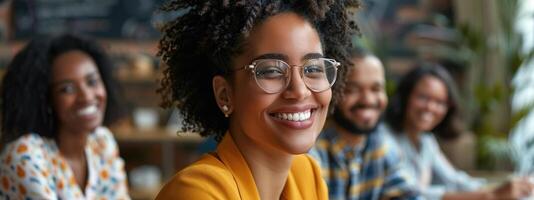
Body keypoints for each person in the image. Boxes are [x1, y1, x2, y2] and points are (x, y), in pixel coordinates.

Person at [154, 1, 361, 199]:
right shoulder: (197, 193)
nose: (299, 91)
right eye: (271, 71)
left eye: (314, 69)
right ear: (224, 94)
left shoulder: (307, 175)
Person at [0, 34, 130, 199]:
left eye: (92, 82)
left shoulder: (102, 142)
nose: (87, 96)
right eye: (67, 89)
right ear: (45, 99)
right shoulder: (25, 156)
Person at [386, 63, 534, 200]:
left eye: (440, 102)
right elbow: (409, 193)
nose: (430, 107)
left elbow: (454, 179)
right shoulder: (385, 140)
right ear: (405, 96)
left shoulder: (425, 140)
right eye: (423, 97)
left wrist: (501, 187)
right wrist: (490, 194)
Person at [309, 48, 421, 200]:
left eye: (376, 89)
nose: (368, 100)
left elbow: (407, 194)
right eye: (352, 90)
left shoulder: (380, 142)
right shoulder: (311, 151)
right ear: (331, 93)